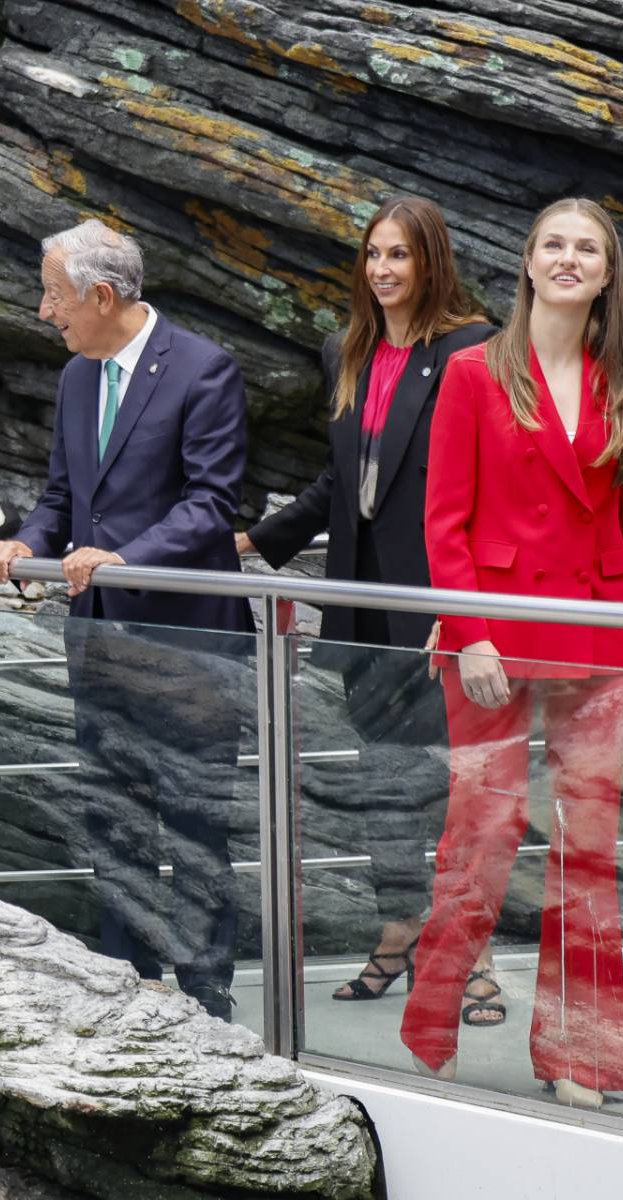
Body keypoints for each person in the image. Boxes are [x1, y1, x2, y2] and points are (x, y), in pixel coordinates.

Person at [399, 198, 623, 1108]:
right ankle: (431, 1012)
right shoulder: (473, 373)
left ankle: (579, 1056)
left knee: (587, 851)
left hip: (597, 636)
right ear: (526, 263)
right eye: (553, 243)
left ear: (605, 273)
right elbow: (445, 519)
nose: (567, 258)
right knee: (485, 831)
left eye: (586, 247)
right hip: (494, 640)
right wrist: (471, 630)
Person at [0, 219, 253, 1020]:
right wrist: (27, 541)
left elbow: (212, 505)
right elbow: (64, 498)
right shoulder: (76, 377)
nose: (44, 310)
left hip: (190, 639)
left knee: (196, 825)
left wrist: (121, 555)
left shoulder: (205, 370)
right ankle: (127, 987)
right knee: (114, 814)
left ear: (102, 296)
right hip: (98, 637)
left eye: (55, 295)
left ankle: (208, 1002)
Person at [238, 198, 499, 1016]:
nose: (383, 271)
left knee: (456, 794)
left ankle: (470, 956)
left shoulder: (473, 349)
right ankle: (397, 932)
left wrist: (471, 606)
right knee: (386, 787)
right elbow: (343, 483)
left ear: (433, 263)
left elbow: (487, 485)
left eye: (400, 256)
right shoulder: (344, 349)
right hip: (358, 612)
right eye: (373, 256)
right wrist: (252, 543)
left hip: (438, 610)